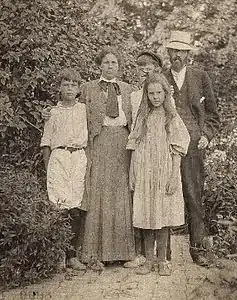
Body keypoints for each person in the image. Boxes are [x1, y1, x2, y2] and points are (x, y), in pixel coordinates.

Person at [164, 31, 220, 266]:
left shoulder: (200, 77)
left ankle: (197, 249)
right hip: (165, 145)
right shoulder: (160, 78)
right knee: (163, 194)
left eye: (181, 51)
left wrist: (206, 135)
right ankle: (162, 254)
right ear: (168, 53)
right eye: (173, 51)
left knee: (194, 195)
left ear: (188, 54)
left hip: (194, 146)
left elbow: (214, 116)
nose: (177, 55)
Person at [127, 72, 190, 276]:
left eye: (159, 93)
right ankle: (149, 260)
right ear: (146, 94)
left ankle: (162, 260)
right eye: (151, 93)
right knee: (146, 214)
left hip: (164, 171)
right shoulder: (142, 117)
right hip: (145, 171)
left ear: (165, 94)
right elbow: (135, 146)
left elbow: (178, 148)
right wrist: (133, 172)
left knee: (162, 215)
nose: (155, 97)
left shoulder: (171, 117)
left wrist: (173, 176)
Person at [79, 47, 135, 267]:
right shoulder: (87, 88)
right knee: (99, 193)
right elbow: (71, 108)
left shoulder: (129, 89)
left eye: (114, 62)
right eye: (106, 62)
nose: (110, 66)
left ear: (119, 66)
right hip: (100, 141)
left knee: (121, 193)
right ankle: (94, 254)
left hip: (123, 142)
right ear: (99, 65)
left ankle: (123, 253)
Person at [40, 68, 88, 270]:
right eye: (66, 84)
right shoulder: (53, 112)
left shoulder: (84, 109)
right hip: (58, 159)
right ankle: (58, 255)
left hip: (78, 157)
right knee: (59, 206)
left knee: (76, 206)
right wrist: (48, 167)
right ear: (59, 88)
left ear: (78, 89)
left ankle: (72, 256)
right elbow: (46, 142)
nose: (69, 88)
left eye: (73, 85)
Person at [124, 51, 163, 269]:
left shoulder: (163, 93)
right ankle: (142, 253)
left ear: (157, 69)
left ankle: (163, 256)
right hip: (139, 151)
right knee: (140, 200)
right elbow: (131, 126)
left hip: (160, 153)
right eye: (141, 67)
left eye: (150, 66)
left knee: (161, 201)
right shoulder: (134, 95)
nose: (145, 70)